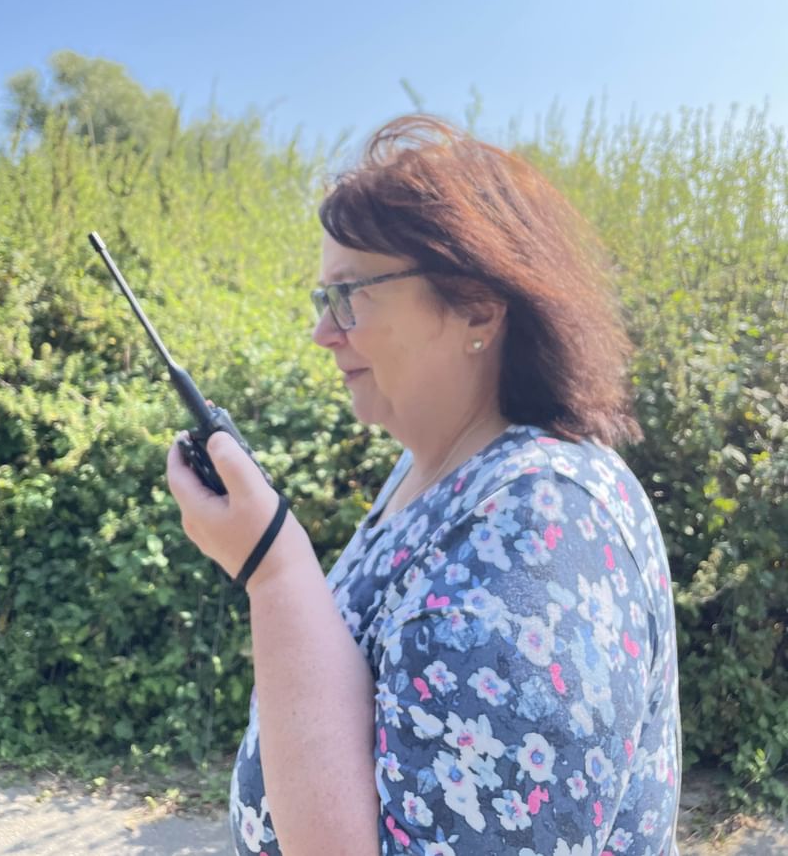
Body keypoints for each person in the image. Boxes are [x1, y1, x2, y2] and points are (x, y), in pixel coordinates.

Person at [167, 115, 682, 856]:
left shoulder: (544, 531)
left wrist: (273, 569)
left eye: (350, 294)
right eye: (323, 299)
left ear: (477, 304)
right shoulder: (432, 475)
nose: (323, 332)